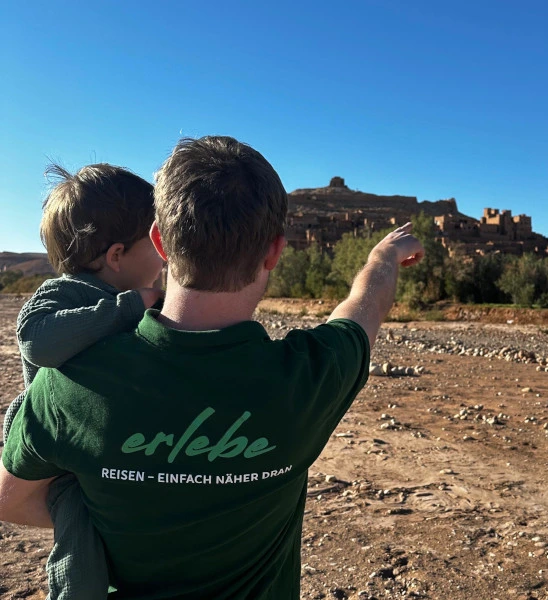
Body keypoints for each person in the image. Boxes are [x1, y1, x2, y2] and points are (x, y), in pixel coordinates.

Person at [0, 135, 424, 599]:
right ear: (274, 252)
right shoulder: (312, 377)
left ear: (161, 240)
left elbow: (10, 499)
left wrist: (109, 511)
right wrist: (383, 258)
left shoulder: (69, 382)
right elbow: (364, 308)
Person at [2, 163, 164, 599]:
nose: (165, 256)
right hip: (63, 459)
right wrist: (129, 308)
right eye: (155, 244)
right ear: (115, 255)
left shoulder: (138, 298)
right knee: (82, 555)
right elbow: (38, 341)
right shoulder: (67, 294)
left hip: (109, 446)